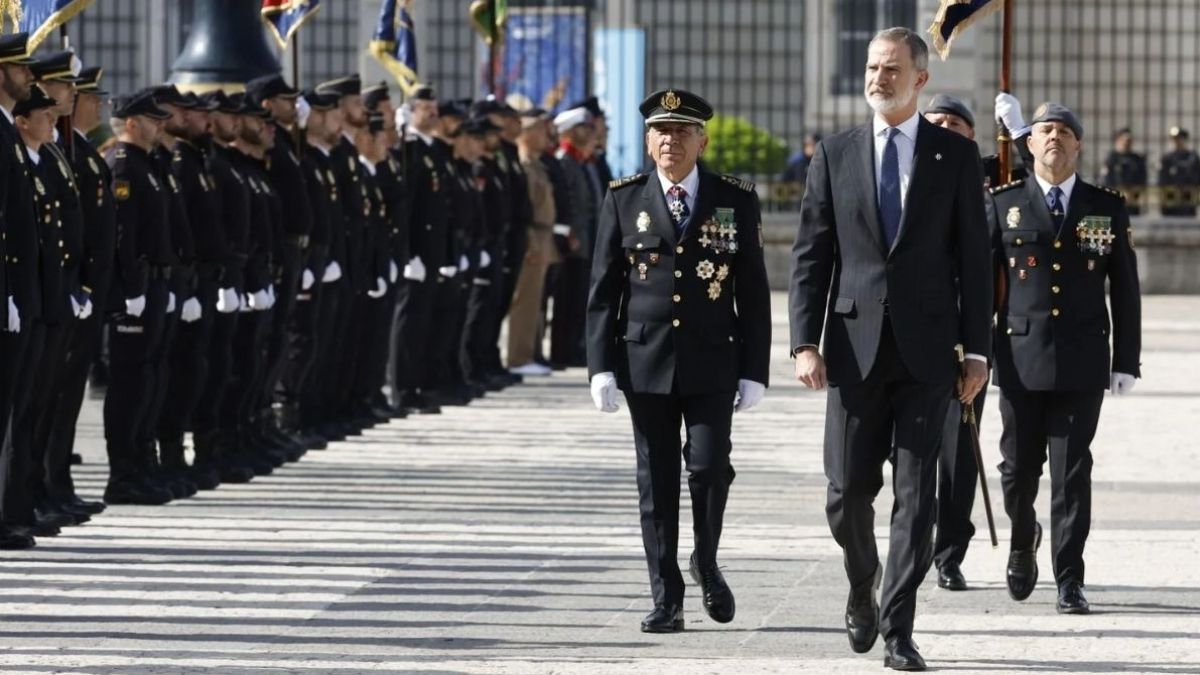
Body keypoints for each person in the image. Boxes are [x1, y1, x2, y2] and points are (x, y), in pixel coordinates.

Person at [788, 28, 991, 671]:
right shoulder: (836, 152)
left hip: (930, 351)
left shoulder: (953, 157)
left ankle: (900, 627)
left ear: (920, 79)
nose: (878, 77)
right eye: (872, 66)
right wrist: (803, 342)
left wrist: (979, 353)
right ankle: (861, 585)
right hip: (851, 346)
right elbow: (811, 255)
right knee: (846, 491)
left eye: (892, 68)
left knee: (916, 495)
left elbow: (975, 262)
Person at [587, 87, 771, 634]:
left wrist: (754, 369)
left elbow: (754, 291)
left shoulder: (733, 198)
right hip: (645, 361)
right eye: (661, 132)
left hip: (714, 359)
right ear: (648, 142)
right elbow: (602, 291)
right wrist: (600, 366)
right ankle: (666, 596)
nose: (671, 141)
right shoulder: (624, 199)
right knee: (657, 481)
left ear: (703, 141)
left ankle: (705, 559)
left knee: (710, 468)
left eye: (683, 131)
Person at [988, 103, 1141, 615]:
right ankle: (1022, 535)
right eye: (1045, 131)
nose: (1055, 138)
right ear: (1029, 143)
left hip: (1082, 356)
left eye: (1065, 132)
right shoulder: (1003, 202)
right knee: (1017, 470)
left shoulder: (1105, 205)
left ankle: (1069, 578)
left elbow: (1125, 286)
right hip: (1018, 355)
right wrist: (971, 351)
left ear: (1078, 146)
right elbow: (982, 282)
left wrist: (1127, 359)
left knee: (1072, 472)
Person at [920, 92, 994, 592]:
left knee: (957, 452)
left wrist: (1020, 138)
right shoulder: (902, 174)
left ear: (971, 137)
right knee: (906, 451)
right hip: (906, 336)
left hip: (963, 341)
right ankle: (913, 536)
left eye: (956, 122)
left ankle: (948, 550)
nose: (945, 126)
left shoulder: (991, 186)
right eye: (936, 119)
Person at [103, 89, 177, 505]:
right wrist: (131, 290)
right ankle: (123, 474)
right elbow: (122, 235)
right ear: (131, 122)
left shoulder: (149, 165)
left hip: (155, 283)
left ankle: (142, 465)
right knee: (130, 382)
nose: (160, 124)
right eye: (152, 119)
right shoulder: (124, 166)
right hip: (138, 288)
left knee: (150, 378)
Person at [507, 109, 558, 376]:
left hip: (544, 235)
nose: (545, 135)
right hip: (533, 237)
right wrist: (531, 243)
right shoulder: (524, 164)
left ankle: (529, 352)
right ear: (525, 134)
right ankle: (518, 356)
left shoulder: (537, 164)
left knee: (536, 300)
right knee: (525, 300)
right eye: (538, 130)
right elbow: (524, 210)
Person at [551, 107, 598, 370]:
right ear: (568, 131)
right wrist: (568, 233)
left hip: (584, 241)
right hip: (572, 242)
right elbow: (566, 202)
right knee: (566, 299)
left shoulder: (579, 161)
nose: (590, 133)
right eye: (584, 128)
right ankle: (562, 352)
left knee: (578, 298)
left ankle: (572, 349)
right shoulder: (564, 160)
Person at [1101, 127, 1147, 215]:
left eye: (1129, 140)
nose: (1127, 143)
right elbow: (1106, 181)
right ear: (1118, 140)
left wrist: (1135, 194)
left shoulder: (1136, 159)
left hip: (1132, 202)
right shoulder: (1111, 159)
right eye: (1124, 140)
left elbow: (1142, 179)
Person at [1157, 126, 1199, 216]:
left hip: (1188, 197)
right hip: (1170, 197)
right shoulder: (1167, 158)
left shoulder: (1192, 158)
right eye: (1174, 139)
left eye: (1179, 138)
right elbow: (1162, 180)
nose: (1176, 141)